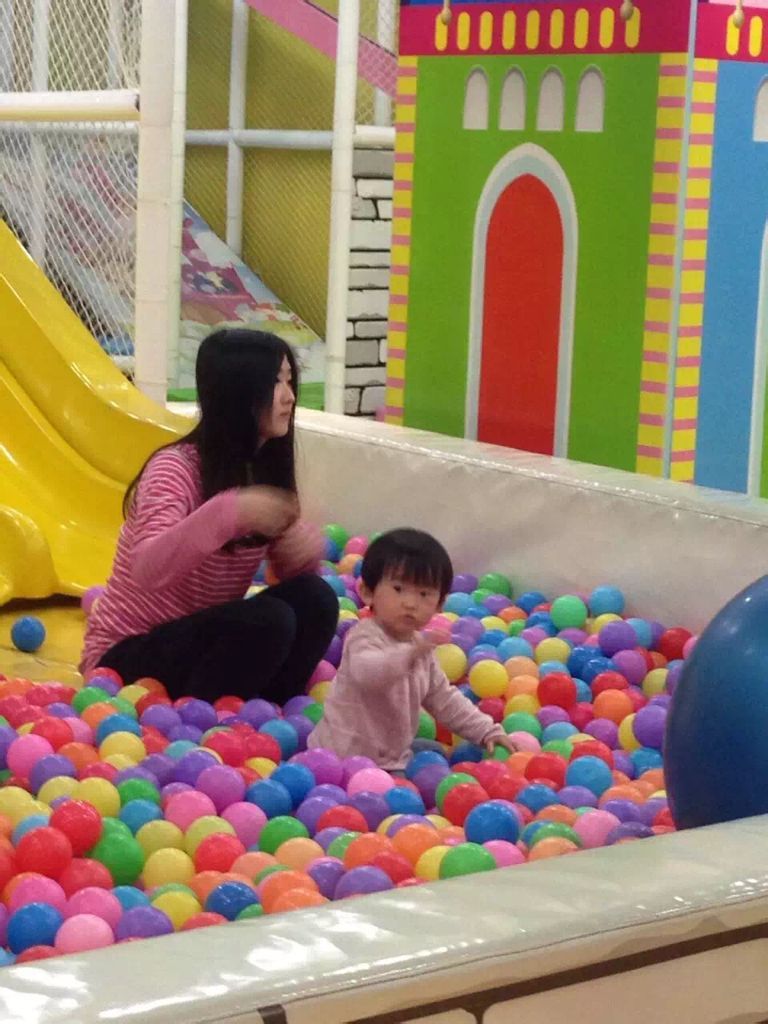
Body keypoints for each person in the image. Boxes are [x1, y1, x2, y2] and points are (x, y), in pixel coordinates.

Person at [80, 328, 338, 704]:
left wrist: (300, 552)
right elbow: (147, 568)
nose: (289, 396)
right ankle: (208, 717)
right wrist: (229, 512)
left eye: (289, 380)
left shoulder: (261, 469)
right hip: (125, 662)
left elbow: (288, 578)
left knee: (316, 598)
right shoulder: (175, 468)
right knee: (268, 620)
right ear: (238, 393)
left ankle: (267, 711)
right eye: (275, 382)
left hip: (200, 648)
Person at [309, 528, 518, 771]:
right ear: (367, 592)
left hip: (390, 755)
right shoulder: (364, 636)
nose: (410, 603)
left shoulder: (420, 650)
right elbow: (368, 673)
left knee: (434, 754)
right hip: (341, 758)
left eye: (424, 594)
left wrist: (486, 731)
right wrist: (409, 655)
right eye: (398, 589)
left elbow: (444, 699)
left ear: (439, 604)